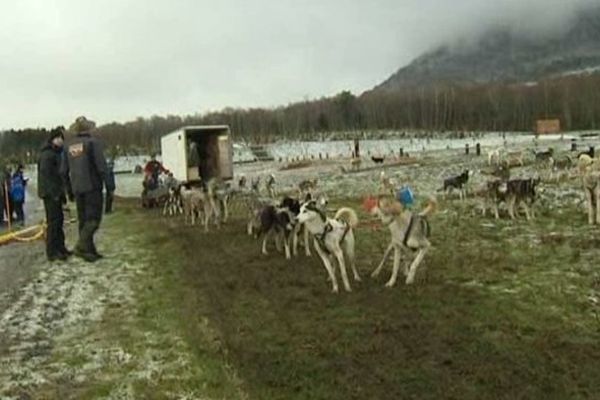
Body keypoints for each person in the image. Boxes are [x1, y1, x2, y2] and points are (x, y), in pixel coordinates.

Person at [61, 116, 107, 263]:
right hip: (92, 187)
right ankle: (81, 246)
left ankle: (89, 250)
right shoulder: (93, 143)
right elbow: (101, 167)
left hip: (77, 188)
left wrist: (69, 190)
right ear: (88, 128)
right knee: (93, 219)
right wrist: (110, 185)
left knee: (83, 220)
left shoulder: (68, 147)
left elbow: (63, 171)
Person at [38, 127, 71, 261]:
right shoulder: (47, 155)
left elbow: (60, 176)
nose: (61, 141)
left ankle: (60, 248)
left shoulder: (57, 153)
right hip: (50, 194)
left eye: (62, 138)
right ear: (53, 139)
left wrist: (62, 193)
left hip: (56, 192)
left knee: (59, 220)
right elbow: (48, 177)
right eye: (59, 138)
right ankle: (52, 252)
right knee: (53, 222)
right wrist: (55, 194)